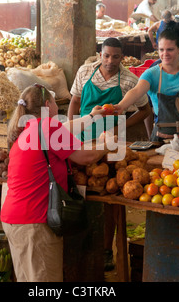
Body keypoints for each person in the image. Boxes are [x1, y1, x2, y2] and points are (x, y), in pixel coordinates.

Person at [1, 84, 112, 282]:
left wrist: (94, 117)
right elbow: (86, 157)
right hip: (33, 223)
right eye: (54, 102)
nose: (58, 107)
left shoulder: (28, 128)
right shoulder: (47, 126)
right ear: (47, 104)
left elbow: (65, 129)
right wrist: (107, 144)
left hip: (15, 220)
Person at [68, 37, 150, 270]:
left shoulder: (128, 80)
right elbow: (74, 101)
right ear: (99, 54)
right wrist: (73, 126)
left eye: (115, 56)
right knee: (80, 191)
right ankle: (80, 245)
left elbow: (145, 110)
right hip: (82, 141)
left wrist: (120, 126)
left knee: (111, 196)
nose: (110, 61)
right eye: (106, 55)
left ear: (122, 57)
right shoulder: (85, 72)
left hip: (111, 145)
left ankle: (106, 250)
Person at [114, 21, 179, 144]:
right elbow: (136, 91)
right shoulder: (151, 74)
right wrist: (121, 106)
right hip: (162, 138)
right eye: (161, 50)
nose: (165, 54)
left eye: (170, 49)